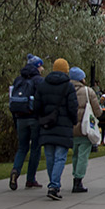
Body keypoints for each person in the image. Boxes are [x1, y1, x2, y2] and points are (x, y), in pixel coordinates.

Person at [32, 58, 78, 200]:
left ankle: (53, 183)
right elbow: (72, 107)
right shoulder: (68, 86)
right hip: (63, 126)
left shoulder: (43, 85)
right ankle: (54, 185)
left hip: (47, 125)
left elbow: (36, 106)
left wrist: (42, 118)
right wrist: (73, 121)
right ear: (66, 70)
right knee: (60, 157)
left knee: (50, 156)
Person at [8, 55, 44, 190]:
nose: (42, 68)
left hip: (20, 117)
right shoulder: (38, 81)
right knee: (35, 148)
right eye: (41, 66)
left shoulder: (18, 80)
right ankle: (30, 179)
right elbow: (42, 100)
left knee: (22, 147)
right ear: (36, 67)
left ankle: (16, 170)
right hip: (34, 118)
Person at [68, 67, 95, 193]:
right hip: (84, 128)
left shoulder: (66, 90)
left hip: (71, 127)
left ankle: (75, 175)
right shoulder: (87, 91)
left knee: (75, 154)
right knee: (83, 155)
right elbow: (97, 110)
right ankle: (78, 180)